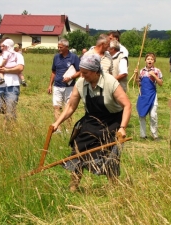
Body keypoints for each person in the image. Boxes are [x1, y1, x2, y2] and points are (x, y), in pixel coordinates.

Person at [52, 54, 132, 192]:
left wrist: (123, 128)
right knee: (77, 151)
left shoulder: (110, 82)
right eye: (81, 72)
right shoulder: (80, 83)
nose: (82, 75)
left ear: (96, 71)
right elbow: (71, 106)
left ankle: (114, 187)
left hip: (112, 121)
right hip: (91, 121)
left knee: (110, 155)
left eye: (85, 73)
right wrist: (57, 123)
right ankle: (73, 187)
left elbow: (127, 105)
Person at [48, 38, 80, 132]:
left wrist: (70, 77)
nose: (59, 49)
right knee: (56, 106)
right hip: (57, 86)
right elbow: (53, 72)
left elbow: (80, 72)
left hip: (69, 87)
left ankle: (68, 129)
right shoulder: (56, 57)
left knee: (68, 107)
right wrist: (50, 85)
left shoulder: (74, 57)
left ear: (67, 47)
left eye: (61, 47)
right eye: (58, 47)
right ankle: (58, 129)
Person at [0, 38, 24, 121]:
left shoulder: (18, 55)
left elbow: (20, 68)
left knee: (10, 112)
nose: (1, 48)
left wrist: (6, 70)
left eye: (3, 46)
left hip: (12, 86)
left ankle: (9, 131)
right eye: (1, 46)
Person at [135, 53, 163, 140]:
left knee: (153, 115)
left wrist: (154, 75)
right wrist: (136, 75)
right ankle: (143, 135)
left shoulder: (157, 71)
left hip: (152, 95)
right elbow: (138, 84)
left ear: (154, 61)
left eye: (151, 59)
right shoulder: (141, 71)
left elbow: (161, 83)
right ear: (145, 60)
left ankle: (155, 135)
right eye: (148, 59)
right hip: (143, 95)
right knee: (142, 114)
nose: (149, 60)